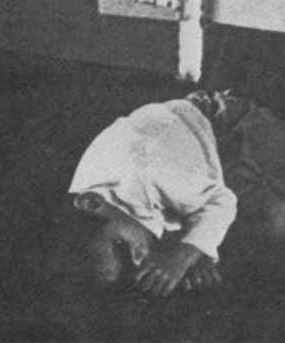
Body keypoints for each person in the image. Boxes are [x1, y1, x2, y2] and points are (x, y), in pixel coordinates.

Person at [68, 95, 237, 297]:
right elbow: (152, 212)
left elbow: (223, 201)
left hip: (223, 121)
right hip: (200, 153)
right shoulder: (103, 201)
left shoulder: (144, 171)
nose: (141, 258)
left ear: (91, 203)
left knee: (268, 226)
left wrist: (182, 257)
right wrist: (196, 251)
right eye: (129, 265)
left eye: (120, 247)